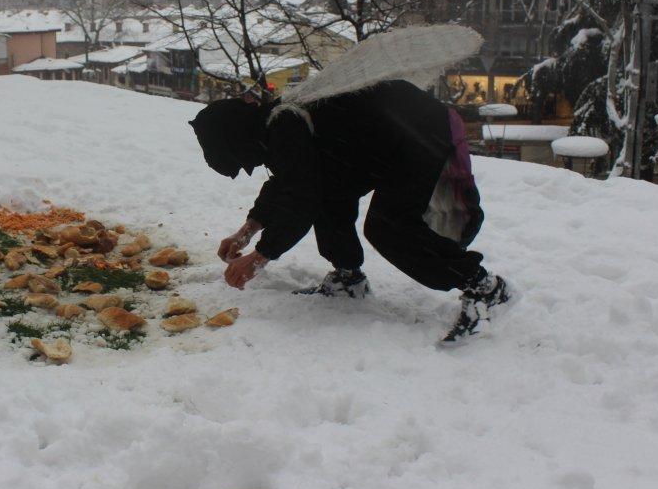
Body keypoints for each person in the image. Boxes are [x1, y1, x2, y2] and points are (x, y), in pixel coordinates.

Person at [189, 81, 511, 343]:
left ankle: (484, 286)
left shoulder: (283, 125)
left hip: (415, 131)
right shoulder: (271, 124)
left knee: (389, 227)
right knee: (329, 194)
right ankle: (348, 278)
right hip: (383, 138)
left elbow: (301, 200)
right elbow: (289, 182)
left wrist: (259, 257)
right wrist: (245, 231)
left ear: (235, 140)